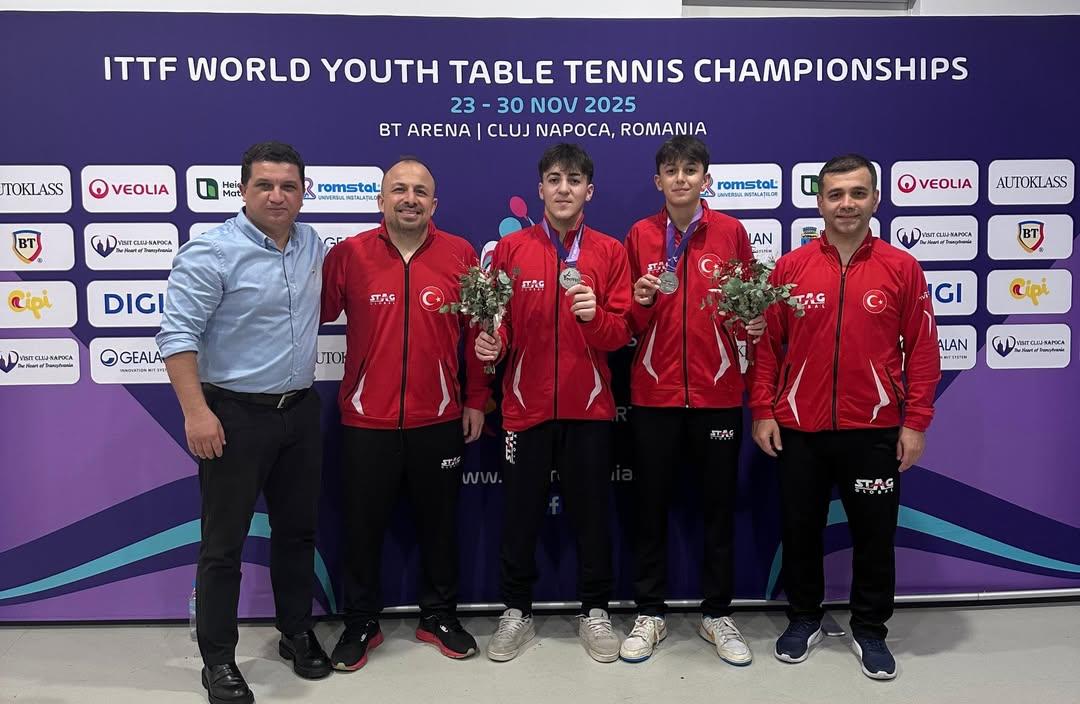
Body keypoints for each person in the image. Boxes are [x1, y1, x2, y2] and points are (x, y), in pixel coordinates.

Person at [749, 153, 941, 680]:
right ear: (820, 202)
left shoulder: (901, 268)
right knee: (800, 529)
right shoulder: (791, 268)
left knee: (874, 536)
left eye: (857, 193)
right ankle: (803, 618)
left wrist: (915, 421)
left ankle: (870, 628)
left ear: (875, 199)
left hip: (874, 429)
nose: (847, 204)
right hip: (799, 428)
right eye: (836, 194)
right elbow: (767, 347)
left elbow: (923, 350)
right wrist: (764, 409)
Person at [157, 141, 330, 704]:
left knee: (298, 533)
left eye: (288, 186)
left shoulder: (311, 244)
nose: (277, 196)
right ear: (243, 190)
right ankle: (218, 660)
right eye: (265, 185)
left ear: (302, 191)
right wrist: (196, 413)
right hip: (233, 416)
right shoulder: (212, 252)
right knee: (223, 544)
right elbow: (176, 336)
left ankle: (295, 632)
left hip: (300, 411)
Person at [320, 158, 492, 670]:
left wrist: (476, 398)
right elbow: (307, 315)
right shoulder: (349, 254)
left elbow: (478, 332)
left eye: (420, 191)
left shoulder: (461, 254)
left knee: (440, 525)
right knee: (362, 527)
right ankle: (360, 621)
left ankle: (438, 615)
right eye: (399, 189)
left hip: (438, 417)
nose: (410, 198)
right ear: (382, 200)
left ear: (434, 204)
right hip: (365, 419)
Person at [475, 143, 632, 663]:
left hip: (590, 410)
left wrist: (595, 317)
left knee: (592, 515)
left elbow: (621, 334)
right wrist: (492, 345)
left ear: (590, 190)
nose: (564, 189)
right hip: (525, 408)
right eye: (555, 179)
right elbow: (496, 323)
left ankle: (595, 610)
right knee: (519, 515)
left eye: (574, 180)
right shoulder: (510, 250)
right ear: (540, 188)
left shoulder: (609, 252)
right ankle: (516, 610)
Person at [619, 135, 764, 665]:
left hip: (717, 391)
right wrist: (639, 303)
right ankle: (649, 613)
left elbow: (749, 309)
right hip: (653, 393)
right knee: (649, 509)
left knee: (717, 510)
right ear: (657, 180)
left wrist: (752, 324)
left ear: (706, 178)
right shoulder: (639, 234)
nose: (680, 178)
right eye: (671, 170)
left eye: (690, 169)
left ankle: (716, 614)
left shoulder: (731, 232)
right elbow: (626, 322)